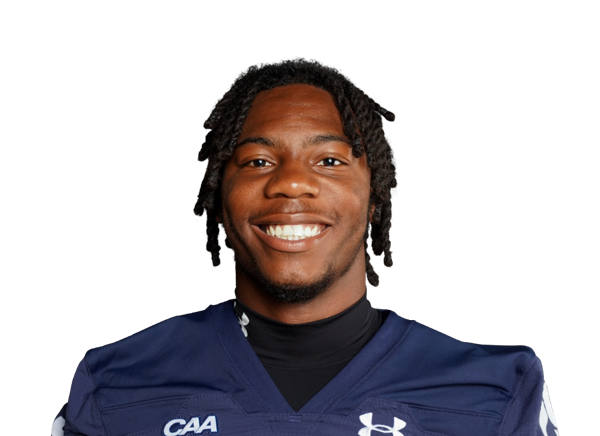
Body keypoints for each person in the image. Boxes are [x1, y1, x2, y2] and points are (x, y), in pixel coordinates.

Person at [52, 57, 558, 435]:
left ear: (375, 199)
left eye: (330, 161)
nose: (292, 183)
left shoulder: (496, 392)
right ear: (218, 198)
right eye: (257, 162)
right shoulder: (114, 384)